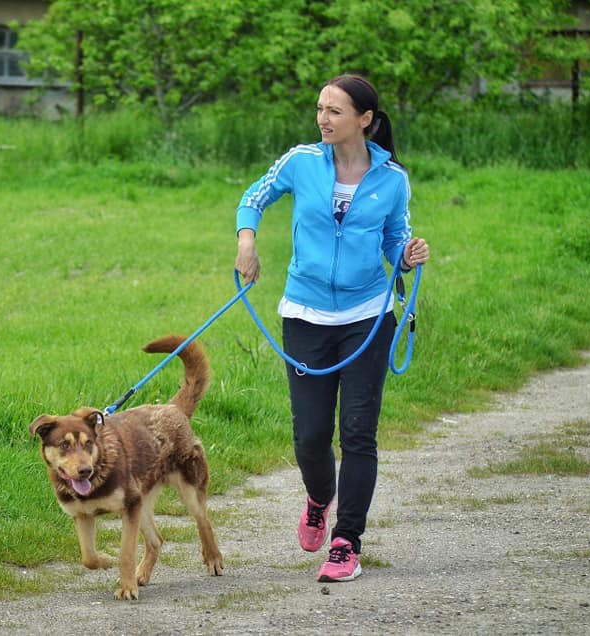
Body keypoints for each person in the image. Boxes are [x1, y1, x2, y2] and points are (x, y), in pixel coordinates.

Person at [234, 73, 430, 582]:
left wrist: (407, 256)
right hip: (305, 315)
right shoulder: (301, 162)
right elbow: (253, 196)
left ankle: (346, 542)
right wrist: (247, 242)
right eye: (320, 108)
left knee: (359, 435)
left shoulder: (392, 179)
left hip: (368, 318)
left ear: (364, 120)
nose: (323, 118)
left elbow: (395, 239)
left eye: (335, 111)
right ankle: (320, 497)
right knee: (310, 436)